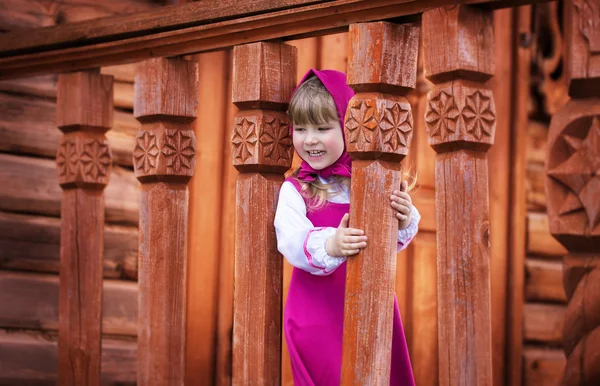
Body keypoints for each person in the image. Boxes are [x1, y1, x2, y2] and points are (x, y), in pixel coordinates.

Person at [274, 68, 420, 386]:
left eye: (322, 127)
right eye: (300, 128)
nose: (310, 139)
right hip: (316, 313)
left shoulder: (366, 183)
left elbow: (389, 240)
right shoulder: (295, 189)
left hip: (372, 302)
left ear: (347, 126)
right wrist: (332, 244)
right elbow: (291, 239)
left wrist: (404, 218)